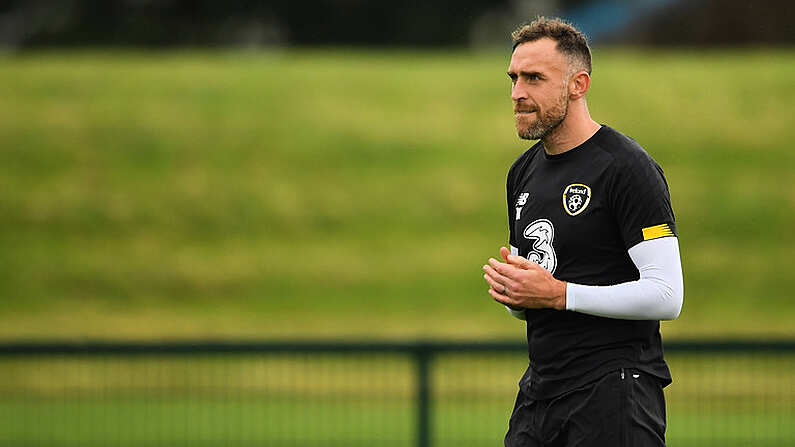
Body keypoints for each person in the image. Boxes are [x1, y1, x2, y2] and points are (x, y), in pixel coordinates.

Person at [481, 17, 684, 447]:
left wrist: (558, 293)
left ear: (578, 84)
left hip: (614, 394)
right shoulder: (523, 173)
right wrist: (517, 293)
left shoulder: (627, 168)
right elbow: (541, 293)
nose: (518, 93)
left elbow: (668, 294)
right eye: (514, 78)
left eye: (535, 78)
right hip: (540, 394)